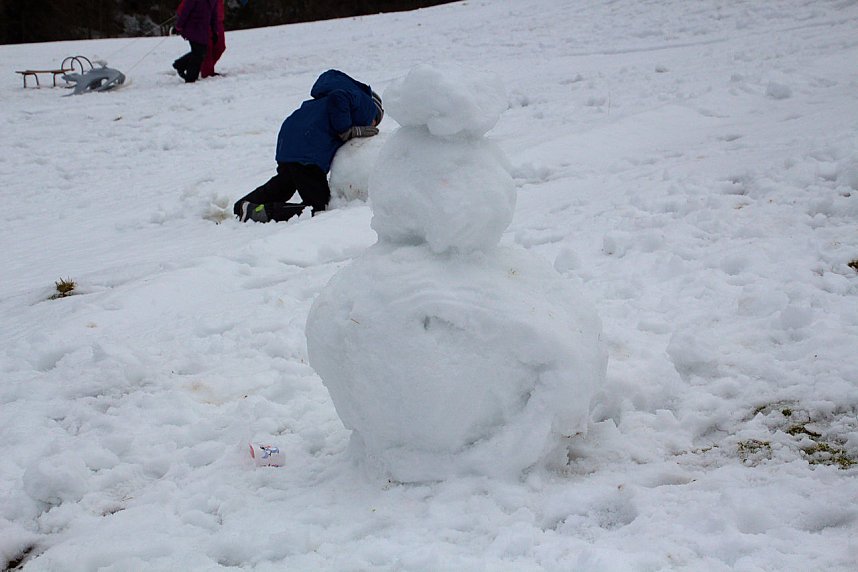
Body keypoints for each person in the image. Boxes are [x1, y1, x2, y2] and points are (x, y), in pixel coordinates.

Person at [233, 69, 384, 223]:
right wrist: (346, 129)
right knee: (318, 208)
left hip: (291, 140)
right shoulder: (367, 105)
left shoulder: (324, 103)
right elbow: (338, 97)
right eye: (376, 122)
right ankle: (264, 213)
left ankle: (243, 206)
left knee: (284, 186)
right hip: (308, 148)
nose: (373, 125)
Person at [172, 0, 218, 83]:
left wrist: (215, 31)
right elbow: (185, 11)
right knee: (198, 53)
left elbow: (214, 14)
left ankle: (180, 64)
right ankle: (191, 77)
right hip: (192, 27)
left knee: (201, 52)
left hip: (203, 29)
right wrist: (178, 26)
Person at [200, 0, 225, 78]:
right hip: (203, 21)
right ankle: (207, 72)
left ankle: (204, 68)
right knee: (207, 48)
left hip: (218, 20)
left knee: (220, 47)